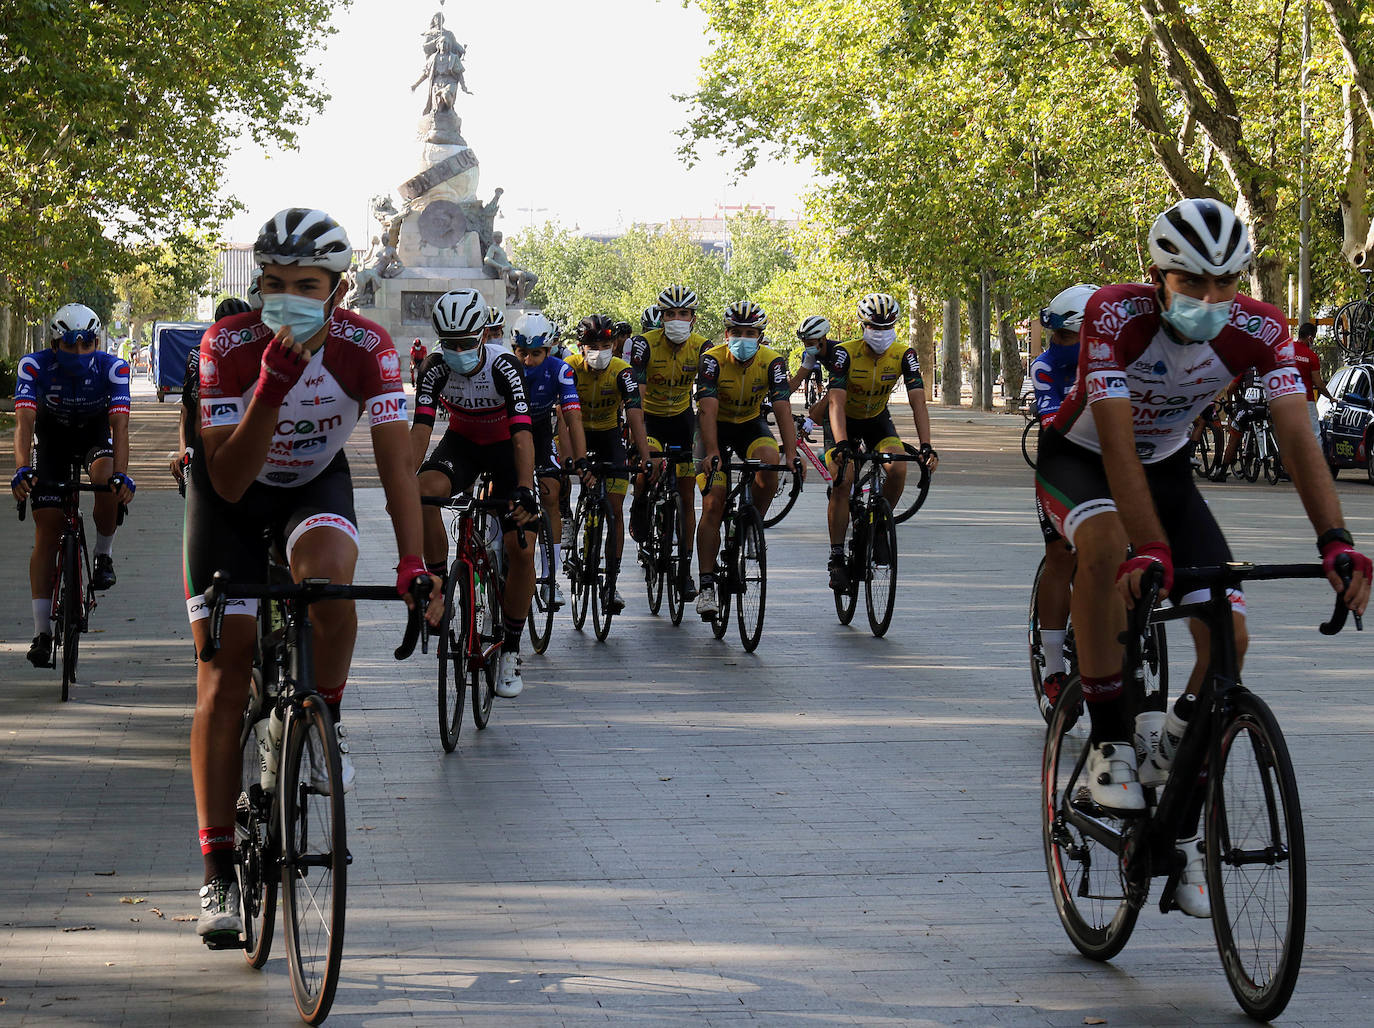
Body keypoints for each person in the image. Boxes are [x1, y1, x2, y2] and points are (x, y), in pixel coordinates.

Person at [1035, 198, 1370, 917]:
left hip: (1169, 469)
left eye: (1226, 282)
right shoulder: (1115, 316)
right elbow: (1118, 441)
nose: (1212, 299)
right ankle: (1108, 745)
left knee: (1230, 635)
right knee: (1101, 546)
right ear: (1158, 275)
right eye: (1193, 283)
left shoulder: (1262, 328)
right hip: (1087, 458)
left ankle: (1175, 801)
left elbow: (1296, 435)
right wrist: (1146, 547)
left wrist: (1335, 539)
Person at [185, 207, 440, 946]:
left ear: (337, 288)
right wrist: (271, 385)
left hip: (312, 484)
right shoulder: (227, 345)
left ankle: (320, 720)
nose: (285, 297)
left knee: (331, 584)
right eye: (272, 283)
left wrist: (416, 564)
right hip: (229, 494)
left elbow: (397, 467)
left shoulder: (367, 346)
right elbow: (228, 480)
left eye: (306, 284)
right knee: (224, 677)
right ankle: (218, 872)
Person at [411, 288, 538, 699]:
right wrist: (402, 481)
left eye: (466, 343)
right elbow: (421, 432)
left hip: (505, 446)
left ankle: (511, 650)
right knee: (424, 491)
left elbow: (522, 434)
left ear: (483, 335)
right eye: (449, 344)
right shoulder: (435, 369)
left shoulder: (505, 367)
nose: (457, 351)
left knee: (522, 548)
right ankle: (439, 583)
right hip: (462, 444)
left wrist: (523, 489)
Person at [11, 303, 135, 666]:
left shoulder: (114, 367)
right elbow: (24, 424)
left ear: (97, 342)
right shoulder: (33, 366)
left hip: (95, 436)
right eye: (70, 345)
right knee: (47, 532)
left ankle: (103, 554)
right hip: (53, 440)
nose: (79, 352)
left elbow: (120, 428)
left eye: (87, 344)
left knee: (105, 478)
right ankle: (41, 632)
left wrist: (122, 477)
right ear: (54, 344)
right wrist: (21, 469)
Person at [693, 300, 803, 617]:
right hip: (713, 429)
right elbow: (708, 410)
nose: (744, 338)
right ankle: (706, 585)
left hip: (750, 425)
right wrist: (712, 452)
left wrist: (792, 453)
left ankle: (750, 524)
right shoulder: (711, 361)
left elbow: (782, 408)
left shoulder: (773, 362)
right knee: (714, 501)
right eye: (737, 332)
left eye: (750, 333)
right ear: (727, 335)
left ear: (760, 336)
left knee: (770, 462)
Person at [823, 293, 939, 592]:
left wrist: (926, 444)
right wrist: (841, 443)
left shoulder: (904, 355)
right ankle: (836, 557)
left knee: (898, 468)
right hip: (843, 421)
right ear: (862, 326)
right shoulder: (844, 354)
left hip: (877, 420)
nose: (882, 333)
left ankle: (878, 528)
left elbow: (918, 403)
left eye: (888, 326)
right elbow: (835, 403)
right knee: (844, 478)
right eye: (875, 327)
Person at [1027, 284, 1097, 714]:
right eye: (1053, 334)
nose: (1056, 344)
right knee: (1061, 557)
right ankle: (1054, 667)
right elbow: (1055, 425)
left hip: (1119, 460)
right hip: (1064, 462)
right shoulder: (1047, 365)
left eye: (1066, 336)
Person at [566, 314, 654, 613]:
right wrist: (571, 462)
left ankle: (611, 584)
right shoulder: (569, 369)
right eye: (593, 345)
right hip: (573, 431)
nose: (600, 350)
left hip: (607, 436)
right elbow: (563, 421)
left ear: (613, 345)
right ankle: (567, 516)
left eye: (605, 345)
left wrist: (645, 456)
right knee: (556, 472)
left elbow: (634, 415)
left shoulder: (622, 371)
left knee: (614, 511)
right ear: (580, 347)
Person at [628, 285, 710, 600]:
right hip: (650, 419)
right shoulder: (644, 345)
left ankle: (685, 568)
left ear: (692, 318)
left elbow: (707, 399)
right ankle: (640, 503)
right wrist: (643, 443)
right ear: (662, 317)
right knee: (649, 466)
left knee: (688, 495)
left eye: (683, 314)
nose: (677, 319)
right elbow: (638, 394)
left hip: (681, 419)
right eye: (671, 314)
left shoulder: (703, 347)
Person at [512, 311, 587, 608]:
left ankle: (550, 577)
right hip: (507, 432)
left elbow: (573, 418)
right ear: (513, 348)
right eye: (522, 353)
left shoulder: (560, 370)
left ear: (550, 349)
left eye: (536, 354)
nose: (528, 361)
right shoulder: (504, 367)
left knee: (551, 494)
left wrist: (580, 460)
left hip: (540, 432)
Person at [173, 297, 250, 492]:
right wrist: (184, 450)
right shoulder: (198, 356)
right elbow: (187, 409)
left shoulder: (256, 355)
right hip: (204, 437)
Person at [1292, 321, 1333, 440]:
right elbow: (1318, 382)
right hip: (1305, 401)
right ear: (1310, 337)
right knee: (1314, 435)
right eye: (1313, 338)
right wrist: (1330, 397)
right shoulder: (1311, 356)